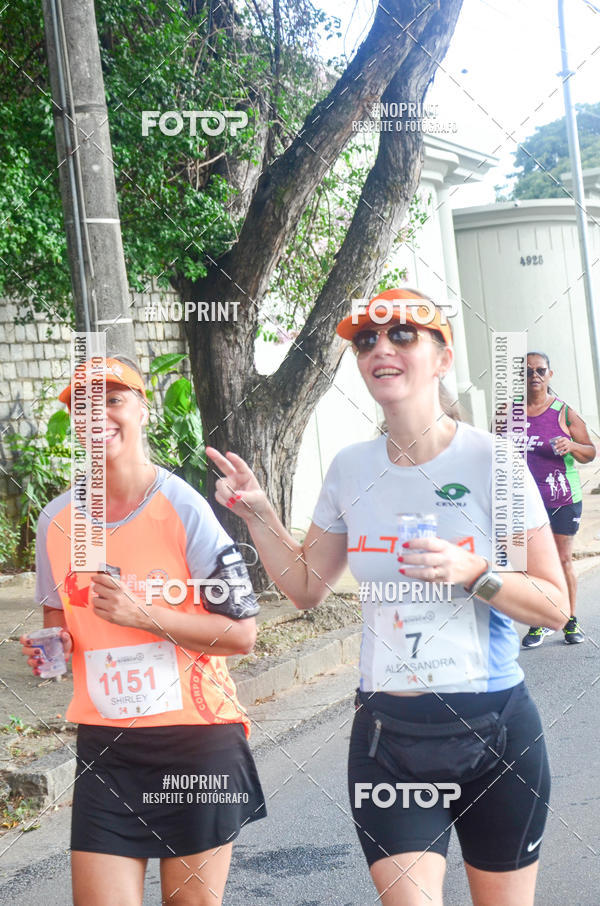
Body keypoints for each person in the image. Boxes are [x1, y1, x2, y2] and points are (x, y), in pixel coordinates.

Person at [206, 288, 569, 906]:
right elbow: (303, 589)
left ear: (442, 357)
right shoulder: (350, 468)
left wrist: (474, 570)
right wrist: (259, 512)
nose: (381, 348)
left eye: (403, 334)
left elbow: (554, 605)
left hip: (495, 730)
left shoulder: (493, 463)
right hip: (389, 738)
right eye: (366, 339)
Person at [20, 355, 265, 906]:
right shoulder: (57, 521)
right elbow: (58, 622)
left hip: (197, 742)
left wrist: (142, 615)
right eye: (83, 405)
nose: (97, 414)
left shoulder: (184, 507)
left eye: (113, 399)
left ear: (143, 410)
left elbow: (242, 635)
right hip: (108, 748)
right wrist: (54, 650)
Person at [521, 352, 596, 649]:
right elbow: (493, 452)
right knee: (530, 564)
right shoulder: (508, 413)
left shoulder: (564, 413)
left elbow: (590, 451)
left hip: (561, 497)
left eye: (540, 370)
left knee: (563, 559)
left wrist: (572, 445)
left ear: (550, 375)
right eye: (528, 372)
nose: (534, 376)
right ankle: (538, 621)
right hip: (524, 502)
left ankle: (569, 619)